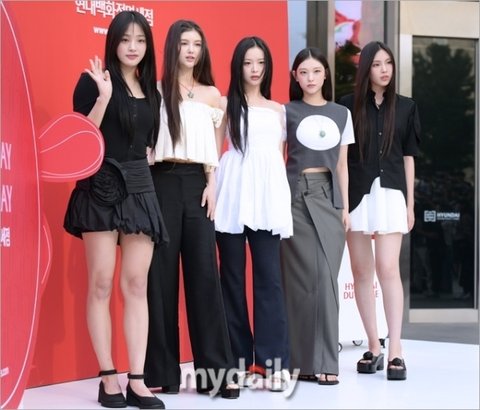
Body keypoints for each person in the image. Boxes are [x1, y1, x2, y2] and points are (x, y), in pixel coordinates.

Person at [63, 11, 167, 409]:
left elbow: (146, 144)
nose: (133, 47)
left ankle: (136, 380)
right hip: (101, 184)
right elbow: (80, 138)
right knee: (101, 282)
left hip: (140, 186)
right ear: (113, 42)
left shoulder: (151, 90)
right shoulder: (92, 81)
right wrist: (104, 99)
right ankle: (108, 376)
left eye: (140, 40)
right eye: (125, 39)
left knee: (137, 283)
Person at [144, 19, 239, 399]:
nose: (191, 50)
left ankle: (215, 374)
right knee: (160, 280)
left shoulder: (212, 95)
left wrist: (212, 185)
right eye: (184, 43)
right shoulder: (155, 90)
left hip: (198, 185)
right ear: (173, 47)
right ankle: (163, 373)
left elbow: (214, 148)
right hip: (160, 182)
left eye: (197, 44)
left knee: (205, 279)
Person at [338, 41, 421, 381]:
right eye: (376, 64)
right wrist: (342, 205)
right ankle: (373, 345)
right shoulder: (347, 106)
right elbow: (341, 160)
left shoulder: (406, 107)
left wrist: (410, 203)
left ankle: (396, 348)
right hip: (357, 195)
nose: (384, 69)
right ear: (366, 69)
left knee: (388, 268)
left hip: (391, 195)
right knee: (361, 271)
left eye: (388, 63)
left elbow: (408, 157)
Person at [214, 36, 292, 391]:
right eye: (248, 63)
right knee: (231, 277)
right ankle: (239, 361)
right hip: (232, 193)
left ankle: (273, 363)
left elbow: (278, 157)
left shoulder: (278, 110)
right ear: (238, 66)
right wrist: (211, 191)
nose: (255, 69)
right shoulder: (225, 104)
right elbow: (215, 151)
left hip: (267, 197)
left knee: (269, 279)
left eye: (260, 62)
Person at [280, 47, 354, 386]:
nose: (310, 78)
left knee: (325, 277)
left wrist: (345, 207)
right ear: (295, 77)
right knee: (298, 283)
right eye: (303, 72)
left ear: (326, 74)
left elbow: (342, 165)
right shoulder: (286, 112)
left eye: (316, 71)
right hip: (293, 196)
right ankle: (302, 362)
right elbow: (277, 158)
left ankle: (326, 361)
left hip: (329, 197)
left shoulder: (341, 114)